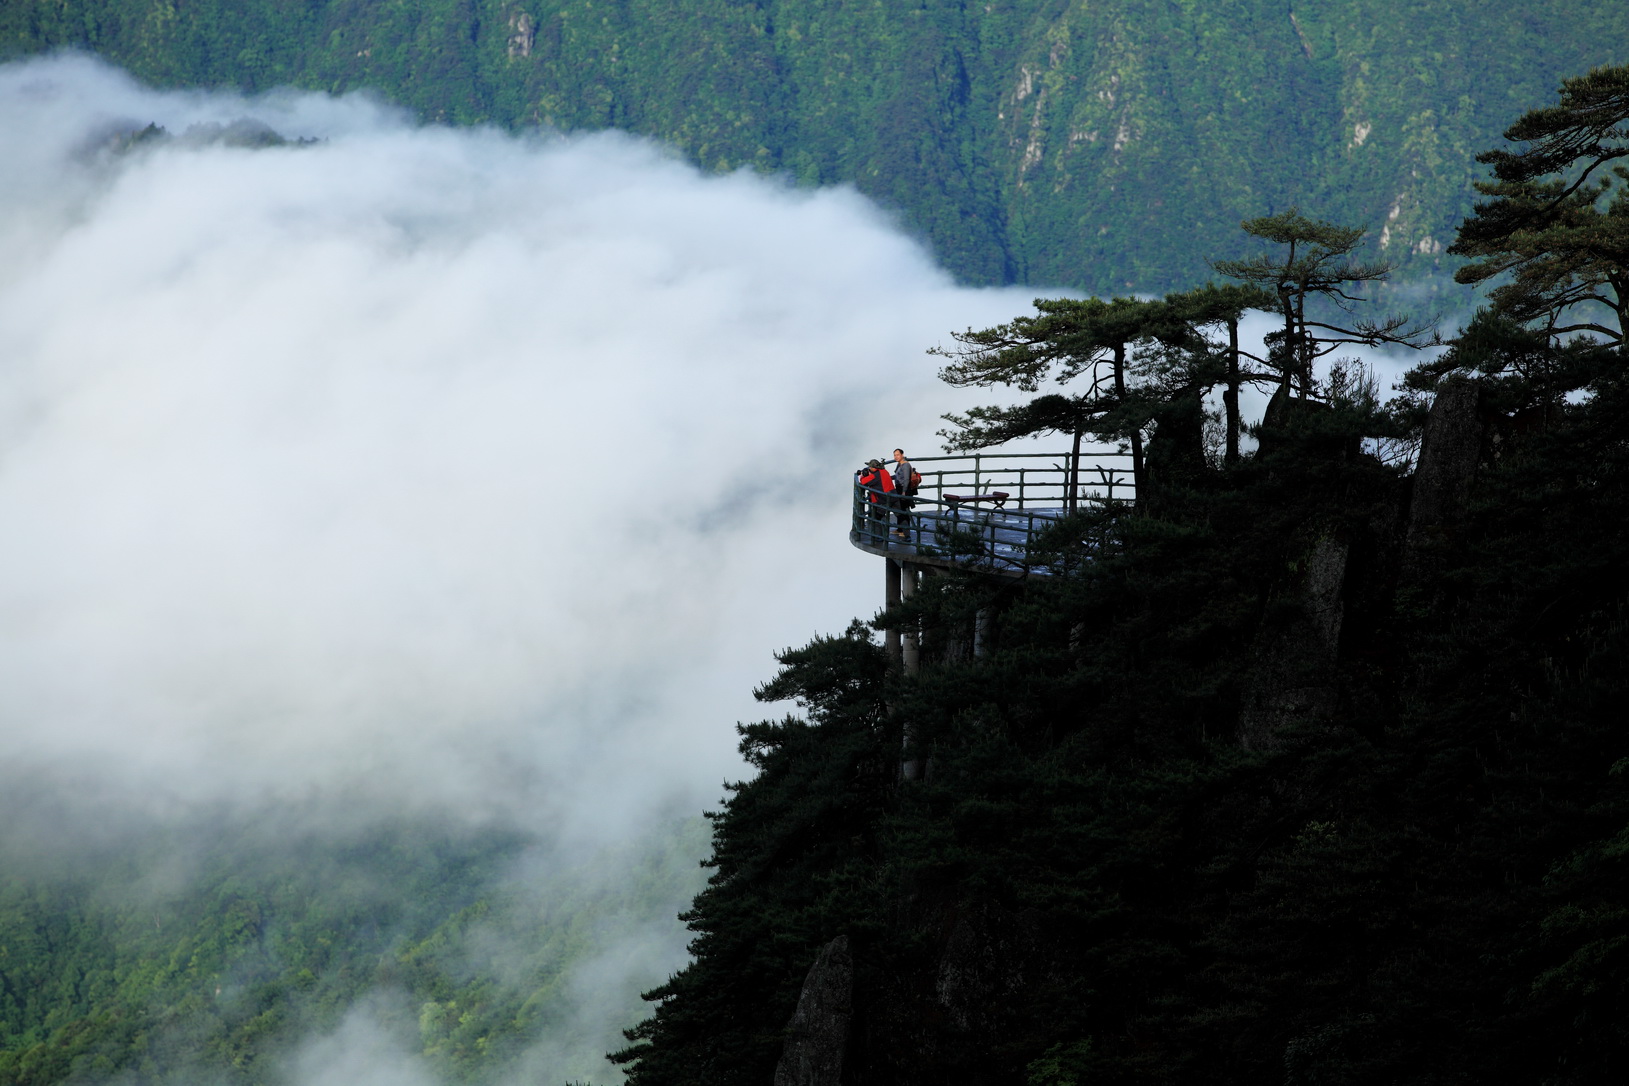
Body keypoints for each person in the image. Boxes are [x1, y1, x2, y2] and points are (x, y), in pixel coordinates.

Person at [857, 458, 893, 542]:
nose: (869, 468)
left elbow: (863, 482)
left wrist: (862, 476)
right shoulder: (884, 471)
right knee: (886, 515)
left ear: (873, 468)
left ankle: (880, 537)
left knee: (878, 517)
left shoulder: (875, 475)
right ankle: (884, 535)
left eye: (869, 467)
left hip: (883, 499)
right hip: (890, 495)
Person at [891, 448, 915, 539]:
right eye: (894, 455)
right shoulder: (899, 464)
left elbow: (906, 479)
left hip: (904, 489)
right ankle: (900, 529)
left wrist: (904, 491)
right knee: (899, 508)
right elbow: (897, 476)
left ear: (902, 455)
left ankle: (905, 531)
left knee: (904, 509)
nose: (896, 457)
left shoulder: (905, 465)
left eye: (897, 455)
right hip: (899, 488)